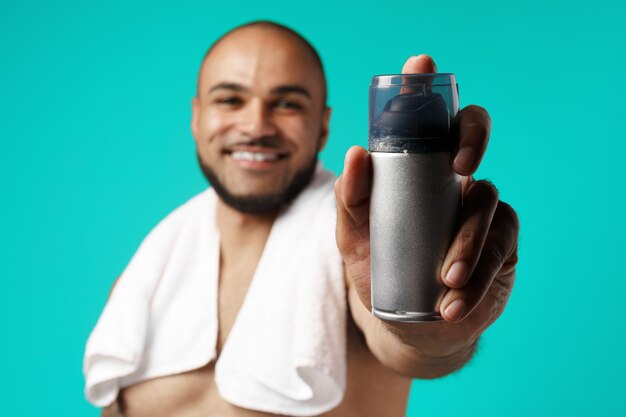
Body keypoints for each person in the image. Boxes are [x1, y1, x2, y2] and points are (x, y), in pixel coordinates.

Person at [87, 20, 520, 417]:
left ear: (323, 126)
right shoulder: (150, 267)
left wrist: (443, 319)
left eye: (288, 104)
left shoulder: (364, 241)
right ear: (197, 118)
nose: (256, 125)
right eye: (231, 99)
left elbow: (412, 345)